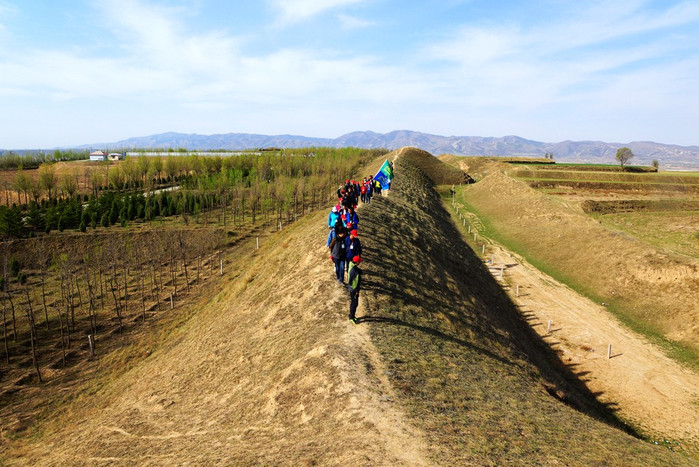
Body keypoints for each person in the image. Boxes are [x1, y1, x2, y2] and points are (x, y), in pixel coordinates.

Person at [347, 255, 363, 324]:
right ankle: (351, 317)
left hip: (352, 288)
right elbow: (355, 282)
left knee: (354, 302)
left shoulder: (351, 266)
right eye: (359, 261)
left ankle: (352, 315)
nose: (360, 263)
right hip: (353, 289)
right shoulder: (354, 271)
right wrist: (357, 290)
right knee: (354, 303)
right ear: (357, 262)